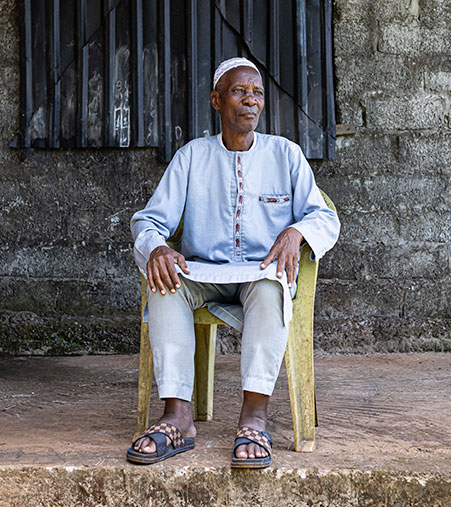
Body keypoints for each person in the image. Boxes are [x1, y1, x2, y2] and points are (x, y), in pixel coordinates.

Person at [126, 57, 340, 468]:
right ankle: (178, 417)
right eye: (240, 92)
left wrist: (297, 233)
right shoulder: (191, 157)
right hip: (201, 272)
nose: (250, 101)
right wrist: (157, 248)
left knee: (271, 284)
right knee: (165, 283)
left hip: (258, 273)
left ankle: (254, 416)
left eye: (257, 93)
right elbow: (149, 220)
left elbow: (324, 217)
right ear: (216, 100)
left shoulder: (286, 155)